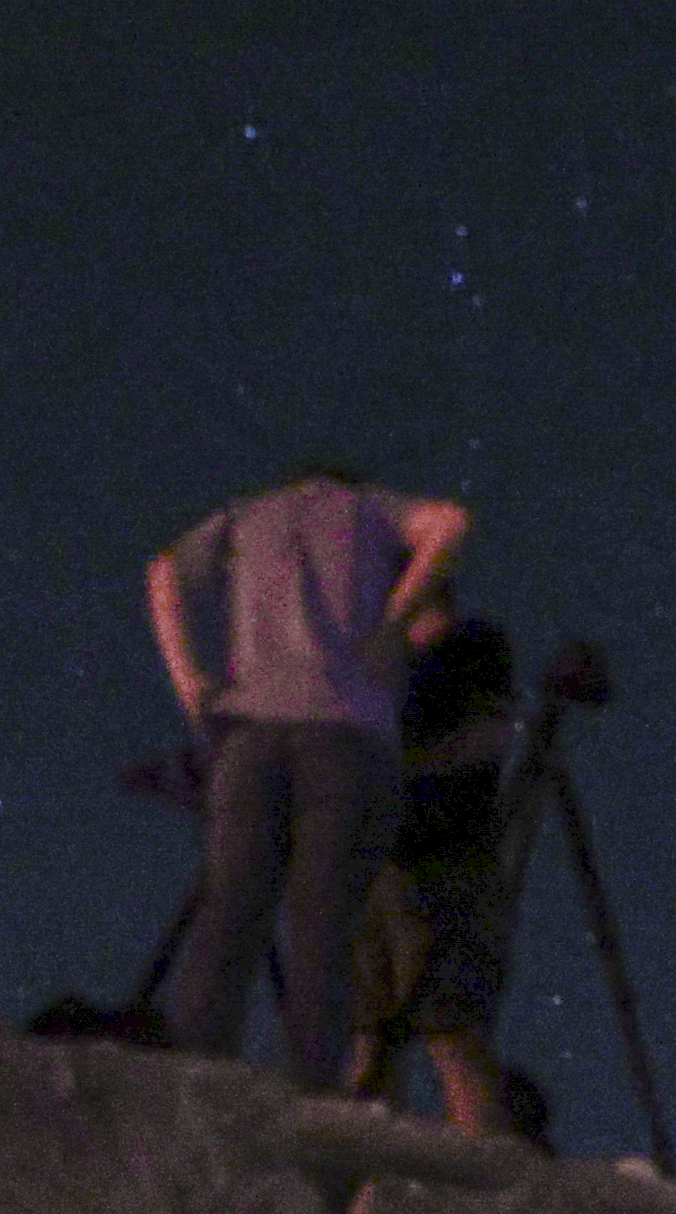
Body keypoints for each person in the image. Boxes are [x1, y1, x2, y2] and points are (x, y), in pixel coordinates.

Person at [144, 461, 466, 1085]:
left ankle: (188, 1088)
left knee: (230, 914)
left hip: (249, 734)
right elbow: (450, 524)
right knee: (323, 928)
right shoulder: (371, 509)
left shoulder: (242, 517)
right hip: (346, 733)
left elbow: (163, 574)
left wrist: (191, 685)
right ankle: (311, 1099)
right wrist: (394, 620)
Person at [349, 608, 527, 1134]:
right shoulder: (380, 661)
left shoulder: (470, 648)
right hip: (375, 865)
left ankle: (478, 1194)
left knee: (451, 1033)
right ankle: (369, 1185)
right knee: (369, 1036)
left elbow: (485, 739)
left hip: (443, 866)